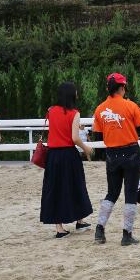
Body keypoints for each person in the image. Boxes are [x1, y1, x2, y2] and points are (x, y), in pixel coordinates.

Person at [93, 73, 140, 246]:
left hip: (111, 155)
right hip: (131, 152)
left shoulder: (100, 108)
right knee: (130, 193)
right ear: (122, 87)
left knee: (112, 193)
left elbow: (97, 134)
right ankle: (127, 234)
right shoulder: (130, 105)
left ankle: (100, 229)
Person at [40, 82, 93, 238]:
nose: (77, 94)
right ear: (71, 94)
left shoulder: (50, 111)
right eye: (76, 92)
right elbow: (75, 138)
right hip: (69, 155)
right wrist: (86, 148)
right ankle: (80, 220)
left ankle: (59, 228)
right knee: (76, 185)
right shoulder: (74, 113)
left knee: (55, 188)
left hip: (53, 155)